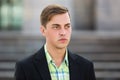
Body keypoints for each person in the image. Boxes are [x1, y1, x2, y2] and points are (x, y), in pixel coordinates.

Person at [15, 4, 96, 80]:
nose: (63, 32)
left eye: (67, 26)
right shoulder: (25, 68)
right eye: (56, 27)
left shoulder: (86, 67)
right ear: (43, 30)